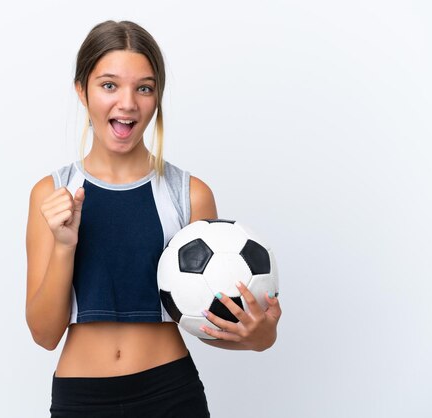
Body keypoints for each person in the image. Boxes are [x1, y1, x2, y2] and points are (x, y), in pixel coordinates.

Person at [25, 20, 282, 417]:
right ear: (82, 90)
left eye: (143, 87)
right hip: (82, 400)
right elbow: (44, 334)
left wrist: (259, 337)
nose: (127, 103)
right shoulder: (52, 193)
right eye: (109, 85)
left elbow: (208, 321)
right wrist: (63, 246)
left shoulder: (189, 194)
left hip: (170, 394)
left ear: (157, 96)